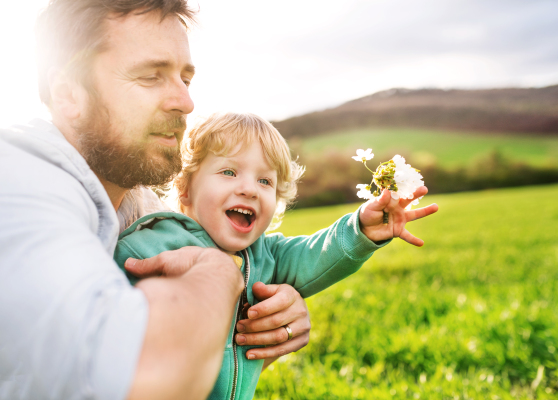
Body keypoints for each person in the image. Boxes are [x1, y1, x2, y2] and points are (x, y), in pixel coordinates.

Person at [0, 1, 311, 399]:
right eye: (151, 76)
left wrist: (261, 322)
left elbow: (193, 360)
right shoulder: (21, 183)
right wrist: (218, 275)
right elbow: (144, 375)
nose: (185, 102)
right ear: (68, 95)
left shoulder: (139, 205)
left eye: (186, 78)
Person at [114, 112, 439, 400]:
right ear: (185, 188)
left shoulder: (266, 254)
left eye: (265, 180)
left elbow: (318, 252)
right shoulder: (152, 245)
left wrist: (361, 229)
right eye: (229, 172)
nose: (250, 189)